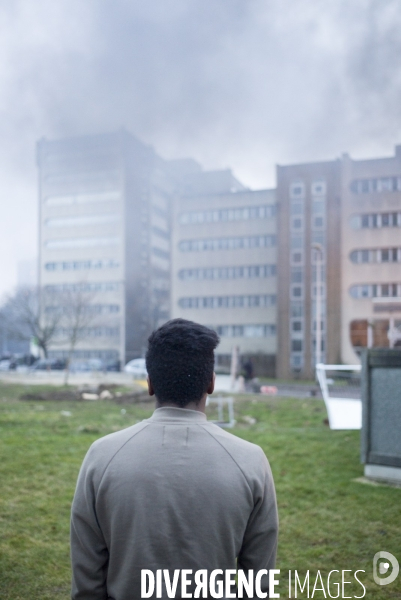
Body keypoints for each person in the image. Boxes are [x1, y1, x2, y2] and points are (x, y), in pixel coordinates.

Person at [70, 319, 278, 599]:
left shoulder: (101, 456)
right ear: (211, 383)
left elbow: (87, 582)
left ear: (150, 384)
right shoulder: (251, 462)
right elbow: (258, 585)